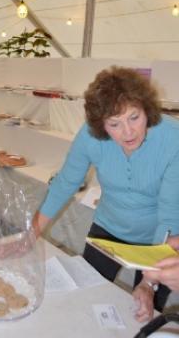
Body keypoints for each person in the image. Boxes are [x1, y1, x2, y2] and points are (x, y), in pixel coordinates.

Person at [32, 66, 179, 322]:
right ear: (101, 125)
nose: (128, 132)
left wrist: (148, 283)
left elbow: (170, 214)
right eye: (114, 124)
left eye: (134, 117)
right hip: (107, 228)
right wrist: (31, 232)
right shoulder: (90, 136)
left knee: (144, 309)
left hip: (159, 237)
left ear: (147, 109)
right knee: (87, 297)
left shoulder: (172, 138)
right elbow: (66, 182)